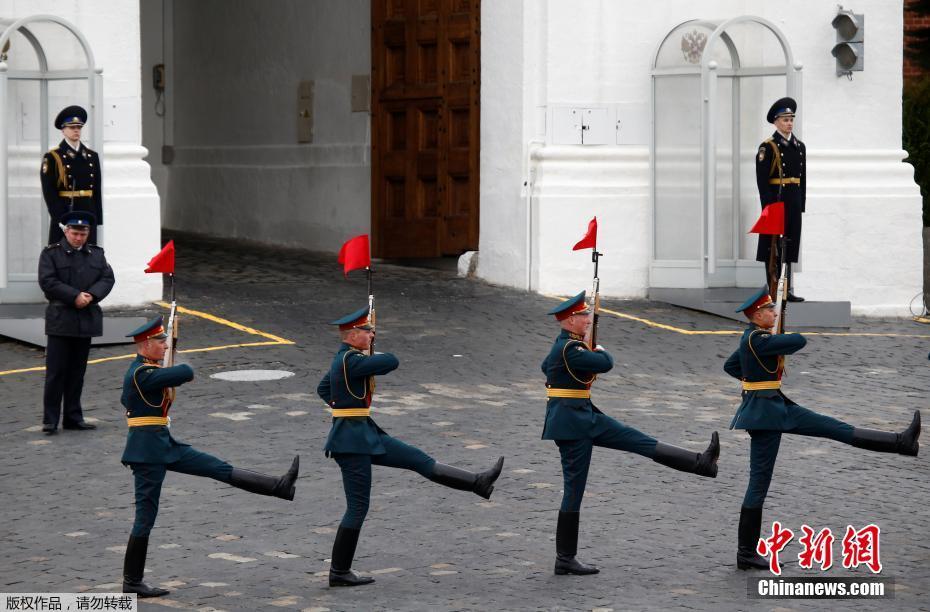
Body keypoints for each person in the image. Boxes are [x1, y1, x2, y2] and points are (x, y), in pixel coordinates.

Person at [724, 287, 921, 570]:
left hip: (778, 407)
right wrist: (771, 350)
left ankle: (901, 442)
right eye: (770, 310)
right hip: (766, 418)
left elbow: (731, 366)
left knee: (834, 427)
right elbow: (799, 340)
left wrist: (753, 378)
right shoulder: (759, 339)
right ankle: (745, 553)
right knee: (759, 482)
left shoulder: (751, 339)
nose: (774, 313)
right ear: (757, 314)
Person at [317, 305, 504, 587]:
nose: (371, 334)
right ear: (353, 334)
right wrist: (348, 406)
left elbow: (323, 388)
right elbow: (391, 361)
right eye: (367, 331)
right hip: (351, 444)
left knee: (418, 459)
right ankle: (339, 572)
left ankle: (477, 482)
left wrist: (343, 406)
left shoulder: (344, 360)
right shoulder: (351, 361)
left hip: (365, 434)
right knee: (357, 507)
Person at [120, 317, 300, 598]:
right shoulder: (141, 373)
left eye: (166, 340)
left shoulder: (149, 370)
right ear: (145, 345)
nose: (165, 344)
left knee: (217, 467)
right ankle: (132, 582)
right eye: (161, 341)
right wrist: (175, 356)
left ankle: (279, 486)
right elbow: (186, 372)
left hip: (164, 445)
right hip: (147, 454)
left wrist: (169, 356)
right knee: (146, 516)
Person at [541, 292, 719, 576]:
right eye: (584, 316)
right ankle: (565, 558)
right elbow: (605, 363)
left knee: (639, 441)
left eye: (588, 316)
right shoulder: (569, 349)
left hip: (585, 417)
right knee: (574, 489)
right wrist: (597, 349)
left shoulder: (565, 348)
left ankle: (701, 462)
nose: (588, 320)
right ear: (570, 320)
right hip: (573, 426)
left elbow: (546, 368)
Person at [37, 211, 114, 434]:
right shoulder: (51, 253)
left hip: (85, 320)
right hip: (61, 320)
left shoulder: (96, 255)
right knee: (56, 373)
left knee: (77, 373)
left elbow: (107, 278)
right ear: (66, 231)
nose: (79, 238)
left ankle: (73, 416)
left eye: (83, 233)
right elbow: (48, 281)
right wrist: (74, 296)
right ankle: (50, 419)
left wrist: (91, 295)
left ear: (88, 233)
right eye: (75, 233)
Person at [756, 97, 805, 302]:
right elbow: (762, 180)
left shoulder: (799, 146)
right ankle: (773, 287)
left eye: (791, 119)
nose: (789, 123)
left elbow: (802, 178)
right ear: (775, 122)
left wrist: (801, 203)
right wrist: (767, 207)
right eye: (785, 119)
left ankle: (786, 289)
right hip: (776, 200)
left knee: (790, 244)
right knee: (772, 246)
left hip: (792, 200)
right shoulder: (768, 147)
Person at [41, 105, 103, 244]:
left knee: (89, 257)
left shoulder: (92, 156)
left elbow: (96, 190)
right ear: (63, 130)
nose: (76, 130)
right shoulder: (53, 157)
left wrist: (97, 218)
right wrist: (60, 219)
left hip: (88, 210)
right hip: (66, 210)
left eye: (79, 127)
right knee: (62, 257)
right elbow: (49, 191)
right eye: (72, 127)